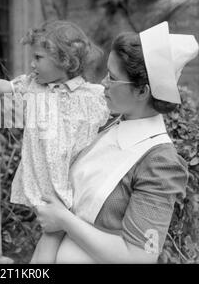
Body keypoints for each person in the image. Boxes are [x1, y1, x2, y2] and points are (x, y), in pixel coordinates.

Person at [33, 21, 199, 263]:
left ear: (142, 91)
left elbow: (143, 256)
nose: (103, 83)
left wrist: (64, 220)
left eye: (112, 77)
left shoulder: (160, 164)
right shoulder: (110, 125)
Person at [0, 20, 110, 263]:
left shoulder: (90, 94)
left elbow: (113, 116)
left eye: (38, 57)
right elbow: (7, 87)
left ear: (65, 61)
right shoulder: (33, 87)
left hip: (73, 180)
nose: (32, 64)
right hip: (44, 179)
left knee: (55, 232)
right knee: (53, 231)